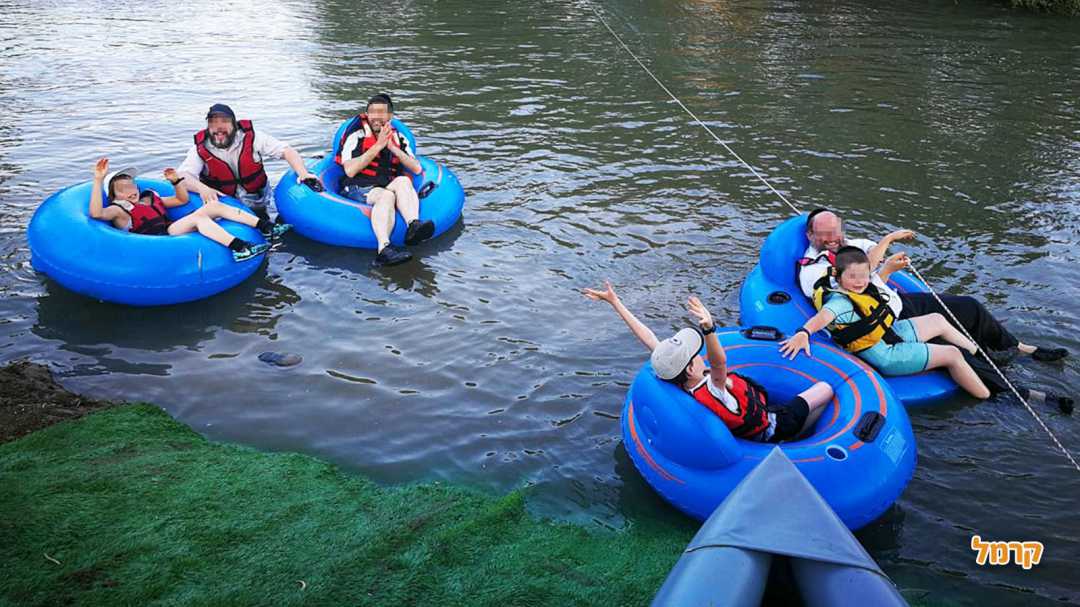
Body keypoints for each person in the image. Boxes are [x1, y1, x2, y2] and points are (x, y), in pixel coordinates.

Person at [584, 282, 833, 442]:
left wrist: (615, 302)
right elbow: (719, 364)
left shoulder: (674, 378)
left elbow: (648, 337)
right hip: (773, 427)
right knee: (826, 389)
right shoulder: (714, 388)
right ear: (691, 368)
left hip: (753, 422)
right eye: (695, 356)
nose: (700, 356)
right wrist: (709, 329)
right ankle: (800, 436)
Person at [781, 246, 991, 399]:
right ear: (838, 275)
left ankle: (980, 358)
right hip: (885, 354)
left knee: (937, 320)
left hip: (888, 333)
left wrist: (888, 269)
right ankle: (987, 398)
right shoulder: (839, 302)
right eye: (853, 277)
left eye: (863, 276)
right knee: (952, 354)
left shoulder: (861, 287)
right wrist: (803, 333)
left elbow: (875, 288)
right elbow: (822, 317)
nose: (860, 282)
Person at [89, 158, 290, 262]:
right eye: (123, 190)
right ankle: (239, 249)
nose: (131, 191)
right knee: (200, 220)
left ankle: (265, 226)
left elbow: (181, 199)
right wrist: (98, 180)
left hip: (172, 229)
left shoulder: (150, 198)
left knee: (214, 206)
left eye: (132, 186)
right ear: (114, 195)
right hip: (158, 240)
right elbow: (96, 213)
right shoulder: (119, 210)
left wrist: (176, 181)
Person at [336, 93, 435, 267]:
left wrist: (392, 148)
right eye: (372, 112)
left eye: (381, 112)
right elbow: (350, 171)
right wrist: (378, 146)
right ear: (367, 115)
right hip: (358, 186)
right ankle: (384, 249)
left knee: (404, 182)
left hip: (385, 183)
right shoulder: (356, 136)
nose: (376, 116)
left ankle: (413, 226)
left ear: (390, 116)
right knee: (386, 196)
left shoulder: (398, 137)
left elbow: (417, 168)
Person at [178, 103, 322, 221]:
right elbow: (182, 177)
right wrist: (202, 188)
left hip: (259, 200)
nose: (218, 127)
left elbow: (287, 151)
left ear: (234, 124)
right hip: (225, 204)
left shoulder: (253, 138)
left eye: (224, 121)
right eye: (213, 122)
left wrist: (303, 173)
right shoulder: (200, 149)